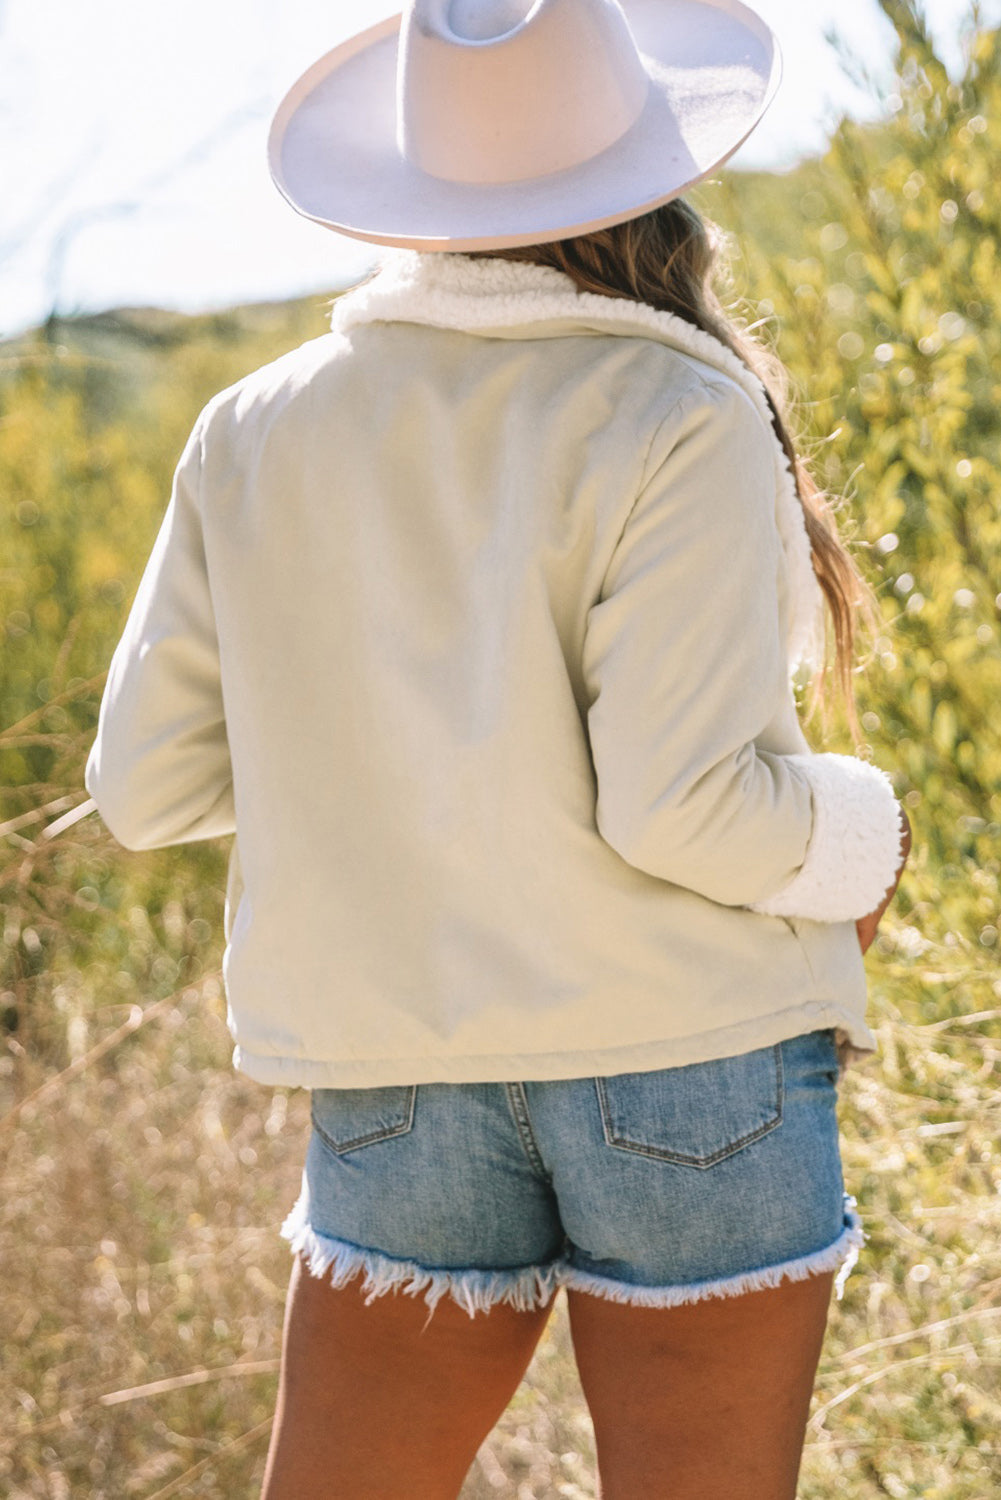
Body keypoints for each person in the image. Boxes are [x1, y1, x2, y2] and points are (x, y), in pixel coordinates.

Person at [85, 1, 912, 1495]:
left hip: (398, 1069)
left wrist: (379, 752)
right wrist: (872, 834)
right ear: (658, 174)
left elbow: (144, 792)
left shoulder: (249, 427)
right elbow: (681, 810)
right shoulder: (674, 404)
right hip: (690, 1066)